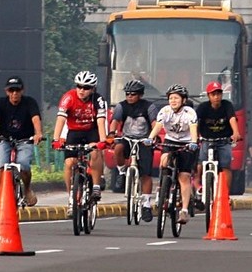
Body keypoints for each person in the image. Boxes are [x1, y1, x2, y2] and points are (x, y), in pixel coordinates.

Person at [52, 70, 109, 215]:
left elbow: (101, 121)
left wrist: (102, 141)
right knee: (69, 162)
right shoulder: (68, 97)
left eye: (86, 88)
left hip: (91, 130)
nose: (82, 90)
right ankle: (71, 196)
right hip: (74, 131)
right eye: (79, 86)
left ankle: (96, 186)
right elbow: (60, 119)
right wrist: (56, 139)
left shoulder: (98, 100)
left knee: (96, 152)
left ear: (93, 89)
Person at [147, 84, 200, 224]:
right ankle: (162, 189)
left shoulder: (189, 113)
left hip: (187, 143)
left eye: (176, 98)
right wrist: (150, 138)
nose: (173, 101)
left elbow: (193, 128)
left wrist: (194, 142)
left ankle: (184, 210)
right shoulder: (164, 111)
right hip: (170, 141)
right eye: (171, 98)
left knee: (184, 176)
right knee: (164, 161)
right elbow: (158, 126)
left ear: (183, 100)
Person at [0, 75, 42, 208]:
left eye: (17, 90)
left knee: (23, 164)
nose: (14, 93)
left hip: (25, 140)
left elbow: (35, 118)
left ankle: (27, 189)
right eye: (11, 90)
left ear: (22, 91)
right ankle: (0, 196)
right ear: (6, 91)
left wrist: (38, 133)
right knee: (1, 166)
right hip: (4, 139)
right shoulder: (0, 103)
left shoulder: (30, 102)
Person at [110, 79, 156, 221]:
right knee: (117, 148)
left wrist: (153, 137)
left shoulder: (149, 107)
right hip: (127, 138)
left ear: (140, 95)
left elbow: (155, 123)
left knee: (145, 174)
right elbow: (115, 121)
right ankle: (122, 171)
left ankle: (147, 204)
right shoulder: (121, 106)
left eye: (133, 94)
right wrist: (111, 133)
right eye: (127, 94)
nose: (129, 96)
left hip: (144, 140)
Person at [195, 81, 242, 207]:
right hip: (206, 140)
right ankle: (198, 186)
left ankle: (225, 195)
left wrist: (236, 132)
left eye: (219, 94)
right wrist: (195, 137)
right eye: (213, 94)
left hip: (223, 140)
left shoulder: (227, 105)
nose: (216, 97)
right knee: (200, 163)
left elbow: (232, 118)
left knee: (226, 167)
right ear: (209, 96)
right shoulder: (203, 107)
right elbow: (195, 122)